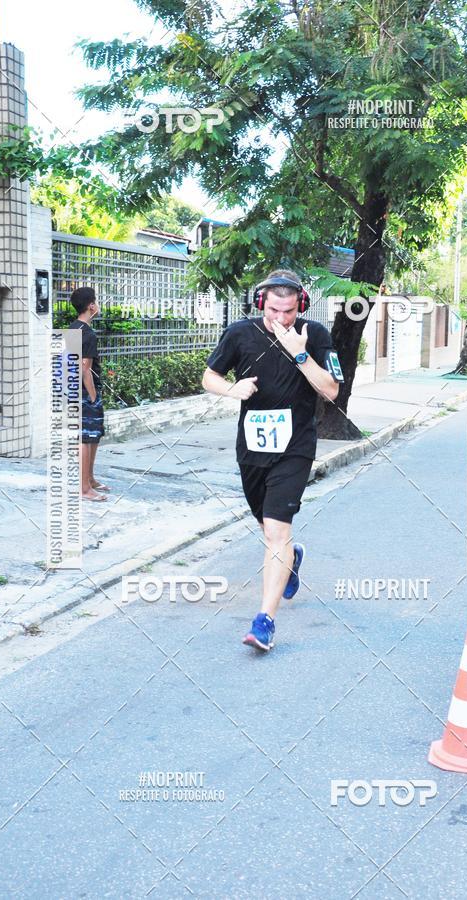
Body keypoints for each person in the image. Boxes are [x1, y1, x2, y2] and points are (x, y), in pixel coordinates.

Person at [202, 270, 344, 651]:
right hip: (252, 447)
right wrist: (231, 389)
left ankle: (264, 621)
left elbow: (331, 391)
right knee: (268, 528)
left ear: (301, 305)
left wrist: (299, 353)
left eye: (289, 311)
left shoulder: (314, 335)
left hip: (296, 447)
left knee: (276, 531)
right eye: (274, 311)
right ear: (260, 302)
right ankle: (291, 558)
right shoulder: (239, 333)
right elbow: (208, 377)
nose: (281, 318)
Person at [68, 287, 109, 502]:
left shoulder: (72, 329)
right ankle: (84, 488)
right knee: (86, 437)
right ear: (91, 306)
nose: (98, 305)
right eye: (97, 301)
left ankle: (90, 479)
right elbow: (85, 369)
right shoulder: (89, 334)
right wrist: (93, 396)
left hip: (71, 391)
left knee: (92, 436)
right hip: (85, 393)